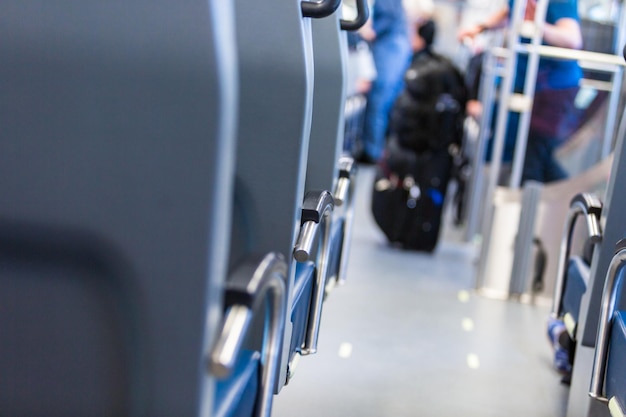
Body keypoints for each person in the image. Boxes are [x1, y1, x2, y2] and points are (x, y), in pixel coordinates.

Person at [457, 0, 583, 183]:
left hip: (553, 88)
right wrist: (481, 28)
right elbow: (511, 11)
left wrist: (538, 27)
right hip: (529, 83)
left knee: (533, 155)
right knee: (526, 152)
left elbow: (573, 39)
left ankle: (561, 197)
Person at [357, 0, 413, 164]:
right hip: (394, 46)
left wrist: (371, 31)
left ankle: (372, 151)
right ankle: (376, 148)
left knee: (379, 98)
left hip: (389, 47)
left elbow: (386, 18)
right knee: (384, 99)